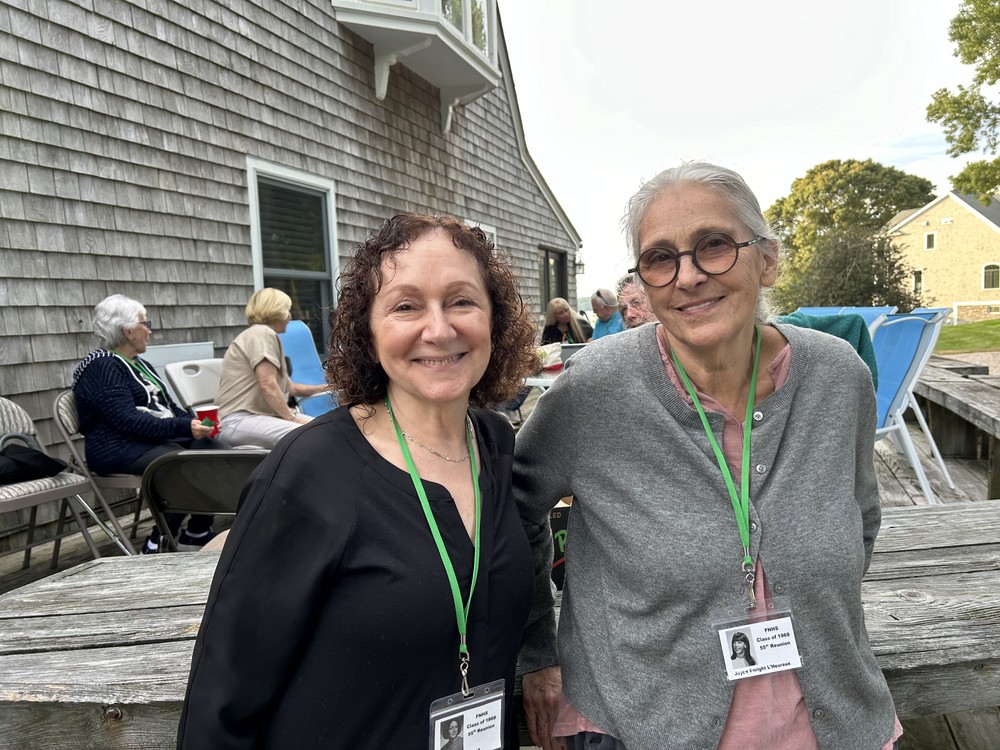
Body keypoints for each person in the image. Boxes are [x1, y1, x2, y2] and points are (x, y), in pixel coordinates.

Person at [515, 162, 901, 750]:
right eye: (660, 258)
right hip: (640, 724)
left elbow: (861, 518)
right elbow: (509, 513)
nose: (689, 276)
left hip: (835, 720)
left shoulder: (837, 376)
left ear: (767, 259)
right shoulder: (594, 390)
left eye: (714, 245)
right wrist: (536, 648)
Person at [178, 213, 539, 747]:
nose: (439, 330)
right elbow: (222, 698)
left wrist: (544, 661)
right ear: (367, 332)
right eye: (405, 306)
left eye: (461, 301)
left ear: (495, 320)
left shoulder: (494, 442)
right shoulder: (309, 470)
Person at [72, 294, 227, 554]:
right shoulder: (102, 367)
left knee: (217, 453)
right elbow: (127, 420)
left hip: (151, 440)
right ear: (128, 331)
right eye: (145, 323)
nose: (150, 330)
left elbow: (169, 408)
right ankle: (157, 544)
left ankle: (197, 531)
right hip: (117, 447)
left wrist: (194, 424)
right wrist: (183, 428)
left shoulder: (139, 364)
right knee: (178, 465)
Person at [215, 288, 328, 448]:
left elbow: (292, 389)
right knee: (312, 435)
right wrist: (291, 418)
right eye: (287, 310)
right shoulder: (262, 334)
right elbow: (268, 384)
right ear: (276, 311)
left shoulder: (260, 335)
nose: (290, 316)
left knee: (326, 430)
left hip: (258, 418)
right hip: (238, 419)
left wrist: (327, 387)